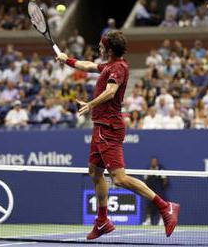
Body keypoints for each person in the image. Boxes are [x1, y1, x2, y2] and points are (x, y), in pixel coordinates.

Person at [57, 30, 180, 240]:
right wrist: (66, 59)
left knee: (120, 179)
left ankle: (165, 206)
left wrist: (90, 104)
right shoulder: (107, 66)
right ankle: (103, 220)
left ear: (110, 49)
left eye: (102, 45)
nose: (99, 48)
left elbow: (110, 92)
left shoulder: (119, 67)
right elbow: (87, 65)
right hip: (99, 127)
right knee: (95, 172)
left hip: (109, 128)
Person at [142, 157, 168, 225]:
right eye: (152, 161)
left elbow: (165, 180)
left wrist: (161, 188)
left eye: (155, 161)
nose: (153, 163)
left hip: (159, 192)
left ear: (156, 162)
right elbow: (144, 181)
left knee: (161, 206)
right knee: (149, 206)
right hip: (150, 192)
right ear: (151, 162)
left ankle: (161, 220)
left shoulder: (160, 170)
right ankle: (148, 220)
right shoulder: (148, 170)